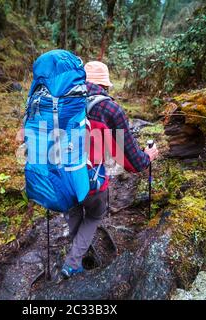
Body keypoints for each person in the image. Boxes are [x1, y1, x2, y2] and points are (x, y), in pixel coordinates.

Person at [61, 61, 159, 279]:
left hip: (62, 177)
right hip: (92, 182)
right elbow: (134, 162)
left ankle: (78, 248)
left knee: (74, 207)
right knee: (95, 214)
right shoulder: (110, 109)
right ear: (104, 86)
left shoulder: (61, 102)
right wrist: (148, 156)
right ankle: (73, 262)